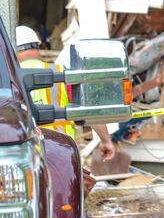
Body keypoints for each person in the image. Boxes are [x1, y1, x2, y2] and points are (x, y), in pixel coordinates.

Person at [16, 25, 115, 161]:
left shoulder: (7, 78)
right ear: (38, 46)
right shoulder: (61, 73)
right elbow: (88, 110)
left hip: (22, 155)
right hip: (61, 151)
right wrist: (106, 140)